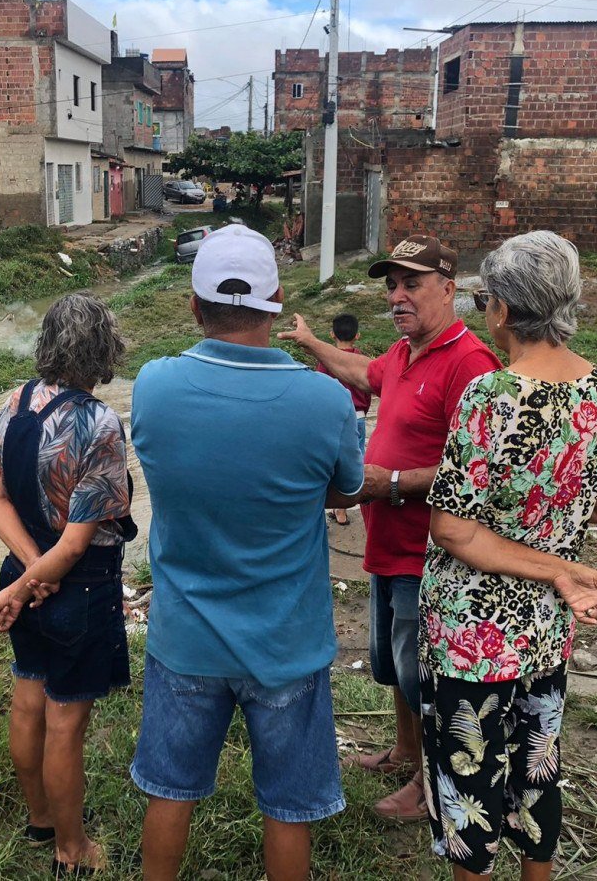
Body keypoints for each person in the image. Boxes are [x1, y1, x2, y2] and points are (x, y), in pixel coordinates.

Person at [130, 224, 365, 881]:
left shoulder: (154, 387)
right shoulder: (324, 400)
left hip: (186, 638)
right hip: (286, 642)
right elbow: (344, 488)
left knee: (171, 790)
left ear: (194, 306)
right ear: (277, 302)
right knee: (288, 807)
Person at [419, 230, 597, 880]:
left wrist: (538, 549)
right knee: (537, 768)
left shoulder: (492, 397)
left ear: (504, 310)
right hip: (544, 628)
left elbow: (453, 530)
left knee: (468, 786)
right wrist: (555, 530)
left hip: (471, 635)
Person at [279, 235, 500, 822]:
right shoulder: (404, 354)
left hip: (427, 549)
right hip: (385, 542)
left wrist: (391, 483)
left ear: (450, 289)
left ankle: (433, 785)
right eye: (391, 286)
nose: (397, 297)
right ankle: (407, 752)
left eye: (412, 285)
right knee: (392, 665)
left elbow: (475, 470)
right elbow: (362, 371)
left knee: (420, 670)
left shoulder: (470, 363)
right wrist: (310, 343)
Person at [0, 292, 136, 877]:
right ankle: (73, 850)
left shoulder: (15, 403)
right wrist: (28, 583)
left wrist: (22, 573)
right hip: (79, 586)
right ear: (102, 349)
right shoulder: (99, 423)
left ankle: (40, 818)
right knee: (65, 721)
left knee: (28, 698)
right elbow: (73, 545)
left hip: (27, 573)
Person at [317, 313, 371, 526]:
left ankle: (330, 505)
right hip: (357, 418)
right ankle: (344, 508)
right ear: (357, 335)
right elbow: (368, 389)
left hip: (332, 419)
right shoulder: (361, 360)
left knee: (330, 461)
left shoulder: (326, 361)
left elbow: (320, 390)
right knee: (355, 461)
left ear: (332, 334)